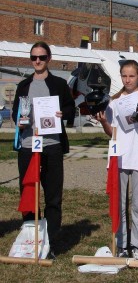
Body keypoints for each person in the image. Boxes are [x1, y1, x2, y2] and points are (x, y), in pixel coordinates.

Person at [12, 41, 75, 260]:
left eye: (41, 57)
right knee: (28, 193)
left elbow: (70, 108)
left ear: (49, 58)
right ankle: (30, 241)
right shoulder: (23, 85)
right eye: (33, 57)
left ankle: (50, 242)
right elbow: (15, 112)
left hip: (52, 146)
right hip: (28, 146)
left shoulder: (58, 83)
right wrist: (18, 122)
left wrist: (62, 114)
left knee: (53, 196)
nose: (37, 61)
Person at [97, 60, 138, 260]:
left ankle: (136, 245)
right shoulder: (114, 102)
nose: (128, 80)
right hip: (119, 156)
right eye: (124, 76)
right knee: (119, 204)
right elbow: (111, 132)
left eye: (131, 76)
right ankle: (121, 244)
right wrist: (103, 122)